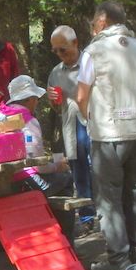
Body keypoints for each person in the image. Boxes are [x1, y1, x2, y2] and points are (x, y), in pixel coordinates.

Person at [77, 1, 136, 270]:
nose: (93, 27)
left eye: (94, 22)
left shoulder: (94, 51)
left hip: (108, 134)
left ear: (102, 21)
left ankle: (119, 261)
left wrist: (89, 121)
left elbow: (82, 95)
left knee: (109, 200)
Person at [47, 25, 93, 208]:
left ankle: (105, 213)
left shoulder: (91, 64)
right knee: (79, 172)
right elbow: (57, 109)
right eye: (55, 50)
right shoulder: (56, 73)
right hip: (70, 128)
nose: (59, 53)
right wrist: (53, 100)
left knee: (99, 170)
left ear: (75, 43)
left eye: (62, 49)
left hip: (94, 125)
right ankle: (86, 216)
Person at [2, 75, 72, 196]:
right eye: (35, 98)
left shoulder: (0, 117)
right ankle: (53, 215)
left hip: (5, 180)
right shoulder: (29, 122)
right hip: (26, 179)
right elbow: (37, 164)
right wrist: (57, 166)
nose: (36, 102)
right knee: (66, 177)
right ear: (30, 99)